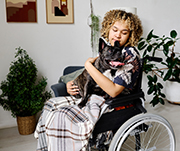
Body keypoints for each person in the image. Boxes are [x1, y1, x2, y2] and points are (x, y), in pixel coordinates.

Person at [34, 9, 143, 151]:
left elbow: (114, 90)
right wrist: (71, 85)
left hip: (114, 102)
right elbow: (92, 76)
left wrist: (87, 64)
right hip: (95, 95)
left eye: (124, 32)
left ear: (130, 35)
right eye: (115, 30)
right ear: (108, 28)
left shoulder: (130, 54)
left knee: (60, 116)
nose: (118, 35)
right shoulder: (107, 50)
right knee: (51, 105)